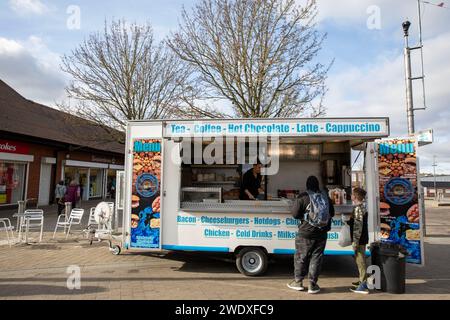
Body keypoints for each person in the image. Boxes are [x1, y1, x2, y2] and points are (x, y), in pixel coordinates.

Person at [287, 176, 334, 294]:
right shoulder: (325, 197)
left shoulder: (303, 197)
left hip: (305, 233)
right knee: (316, 257)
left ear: (307, 185)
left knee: (301, 257)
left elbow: (294, 214)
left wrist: (305, 216)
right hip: (322, 233)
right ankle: (313, 284)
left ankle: (298, 282)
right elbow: (331, 213)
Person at [348, 187, 370, 294]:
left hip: (359, 239)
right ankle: (361, 280)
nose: (351, 196)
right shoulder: (362, 207)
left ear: (355, 197)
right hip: (363, 238)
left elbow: (358, 228)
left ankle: (363, 285)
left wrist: (355, 243)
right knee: (359, 260)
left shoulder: (357, 209)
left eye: (352, 194)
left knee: (361, 261)